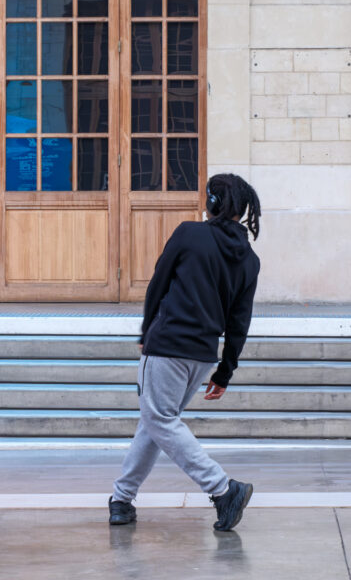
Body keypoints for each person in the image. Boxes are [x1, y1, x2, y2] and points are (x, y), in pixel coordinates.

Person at [108, 172, 261, 533]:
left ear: (213, 203)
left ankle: (222, 489)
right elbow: (240, 322)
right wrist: (224, 372)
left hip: (168, 345)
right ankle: (122, 500)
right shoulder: (250, 260)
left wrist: (146, 331)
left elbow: (158, 284)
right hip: (203, 356)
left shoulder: (190, 234)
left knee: (159, 419)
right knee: (155, 420)